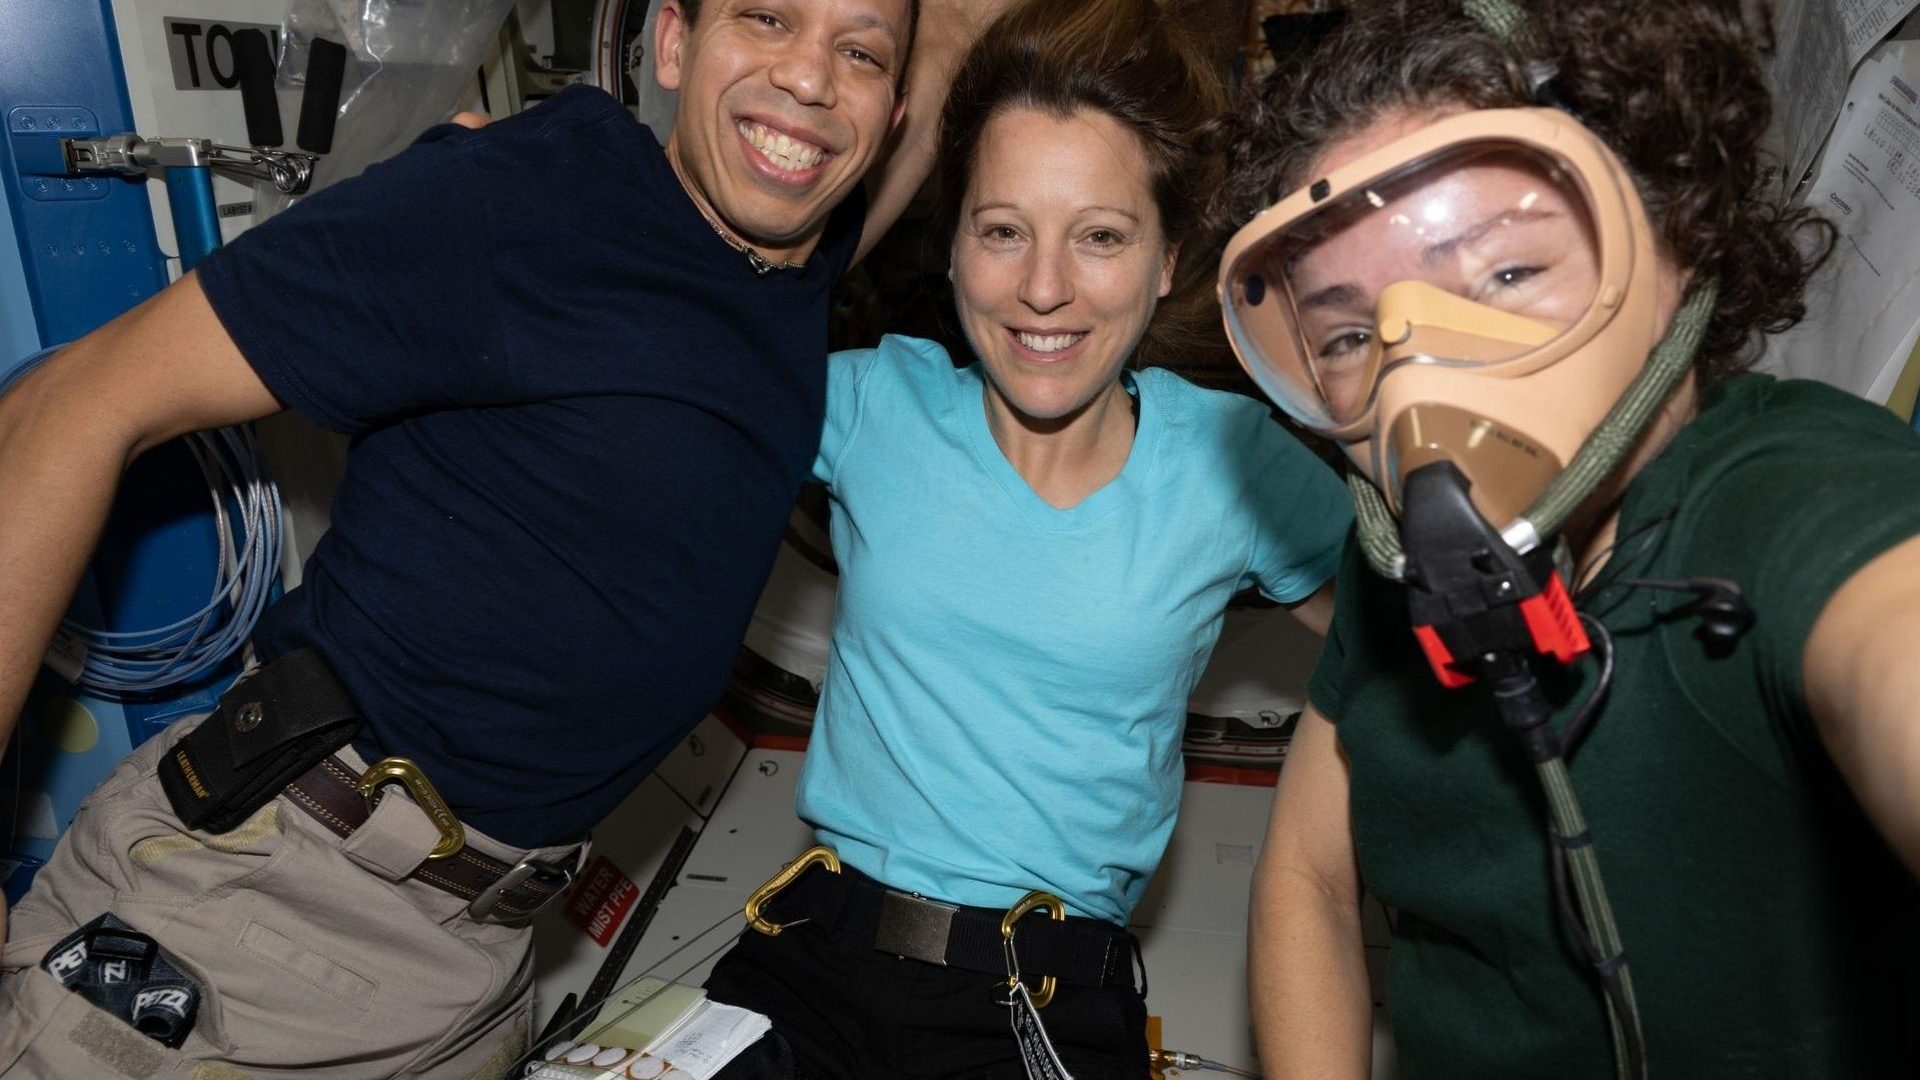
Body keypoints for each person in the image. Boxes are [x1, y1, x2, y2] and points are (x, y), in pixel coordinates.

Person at [0, 0, 1017, 1073]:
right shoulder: (526, 197)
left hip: (481, 958)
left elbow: (949, 29)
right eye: (765, 17)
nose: (810, 79)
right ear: (672, 41)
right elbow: (64, 407)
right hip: (270, 907)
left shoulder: (794, 257)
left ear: (893, 113)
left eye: (856, 52)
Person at [1214, 0, 1920, 1076]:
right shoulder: (1409, 552)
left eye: (1506, 274)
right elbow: (1309, 874)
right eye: (1354, 334)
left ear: (1673, 238)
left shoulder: (1793, 496)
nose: (1424, 380)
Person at [700, 1, 1352, 1076]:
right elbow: (679, 370)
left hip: (1045, 1003)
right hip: (809, 967)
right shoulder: (870, 405)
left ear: (1163, 260)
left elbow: (1412, 645)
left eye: (1100, 236)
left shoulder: (1229, 462)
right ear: (954, 250)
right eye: (1003, 230)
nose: (1044, 288)